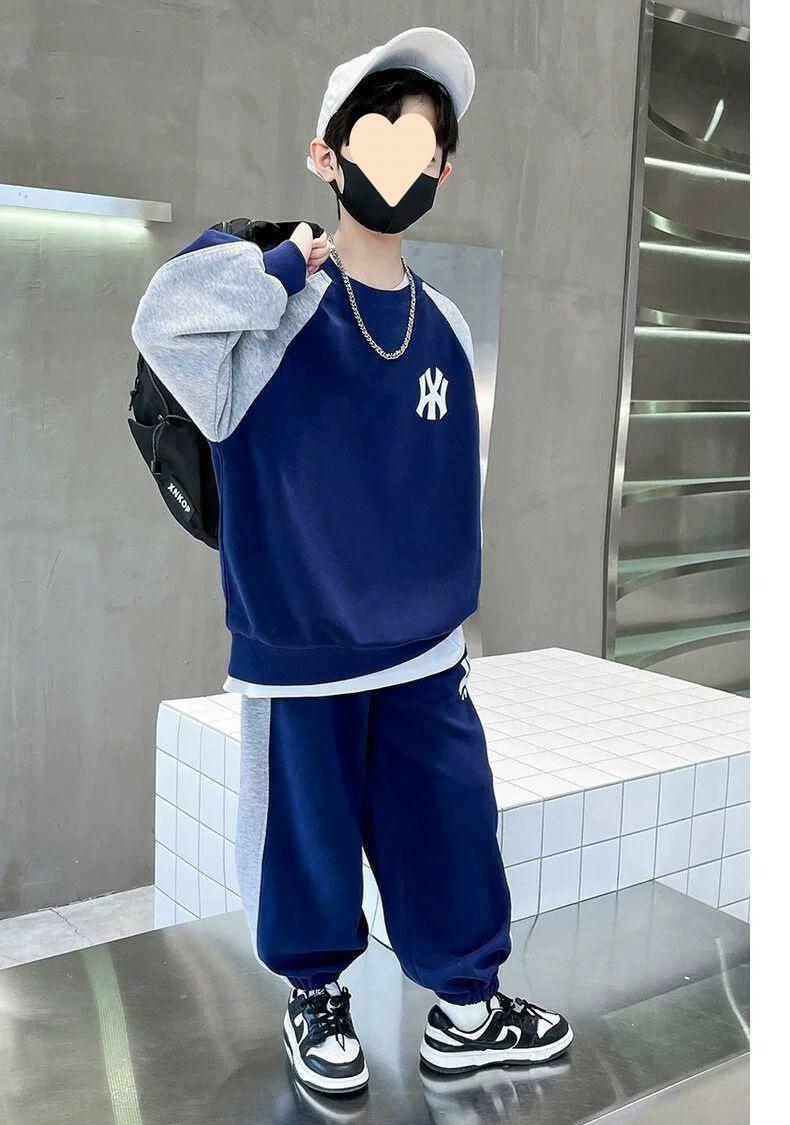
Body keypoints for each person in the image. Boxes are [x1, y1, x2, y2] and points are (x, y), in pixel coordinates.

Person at [132, 26, 572, 1097]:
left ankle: (466, 1012)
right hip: (301, 651)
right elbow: (163, 325)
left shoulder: (447, 325)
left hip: (424, 650)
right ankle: (316, 996)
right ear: (326, 155)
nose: (400, 163)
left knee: (450, 828)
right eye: (376, 138)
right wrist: (282, 264)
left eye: (422, 147)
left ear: (441, 171)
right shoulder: (268, 309)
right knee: (306, 842)